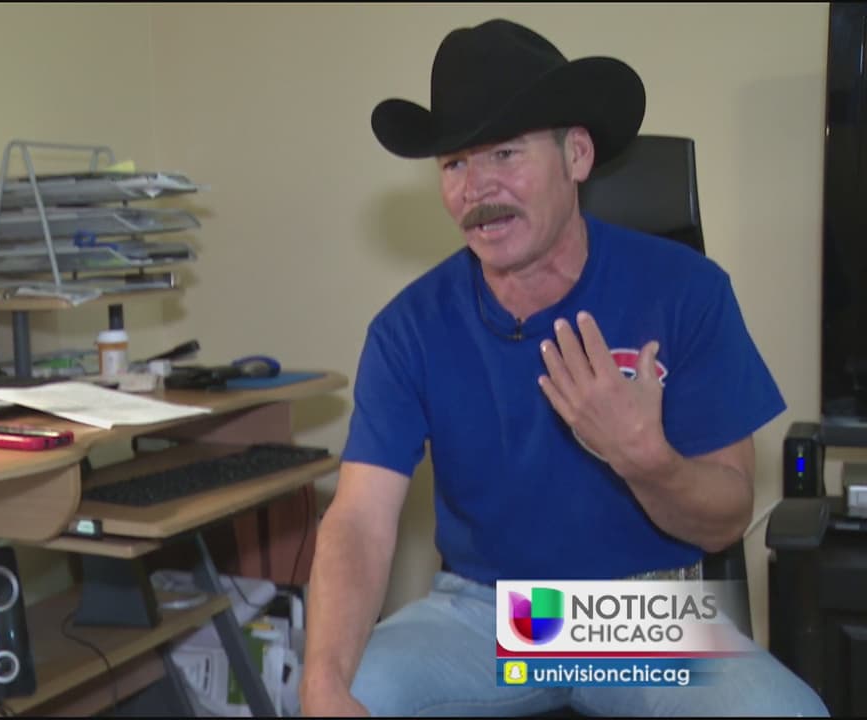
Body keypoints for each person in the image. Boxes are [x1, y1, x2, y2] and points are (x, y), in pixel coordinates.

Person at [299, 18, 829, 718]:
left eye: (504, 153)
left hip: (638, 615)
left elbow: (726, 520)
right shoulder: (409, 328)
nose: (476, 188)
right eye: (455, 164)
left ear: (576, 154)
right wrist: (321, 684)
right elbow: (360, 520)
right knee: (351, 695)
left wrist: (644, 459)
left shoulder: (687, 291)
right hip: (488, 614)